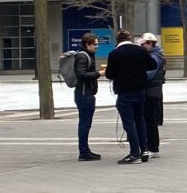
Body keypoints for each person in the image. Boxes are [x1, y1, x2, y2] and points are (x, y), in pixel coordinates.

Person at [103, 29, 154, 164]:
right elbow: (152, 65)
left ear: (117, 40)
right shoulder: (140, 50)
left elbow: (109, 74)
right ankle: (144, 150)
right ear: (130, 38)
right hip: (140, 90)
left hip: (125, 92)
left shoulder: (114, 53)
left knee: (129, 123)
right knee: (140, 121)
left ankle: (134, 153)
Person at [62, 33, 102, 161]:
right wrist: (99, 73)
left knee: (86, 123)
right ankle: (84, 152)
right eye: (95, 44)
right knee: (85, 124)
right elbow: (81, 74)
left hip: (86, 94)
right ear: (87, 44)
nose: (97, 47)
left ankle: (85, 150)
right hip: (84, 95)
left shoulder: (87, 55)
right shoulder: (83, 57)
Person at [141, 33, 166, 160]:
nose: (142, 46)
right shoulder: (156, 55)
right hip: (153, 91)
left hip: (151, 91)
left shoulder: (154, 57)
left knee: (149, 120)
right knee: (150, 120)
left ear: (150, 43)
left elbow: (149, 75)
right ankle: (152, 147)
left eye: (144, 44)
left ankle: (152, 147)